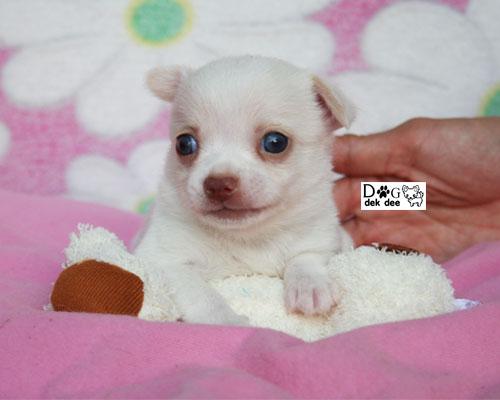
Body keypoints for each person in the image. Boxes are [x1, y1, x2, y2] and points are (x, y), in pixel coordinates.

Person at [332, 117, 500, 262]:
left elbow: (425, 196)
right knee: (366, 197)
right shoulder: (423, 194)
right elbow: (422, 196)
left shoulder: (428, 192)